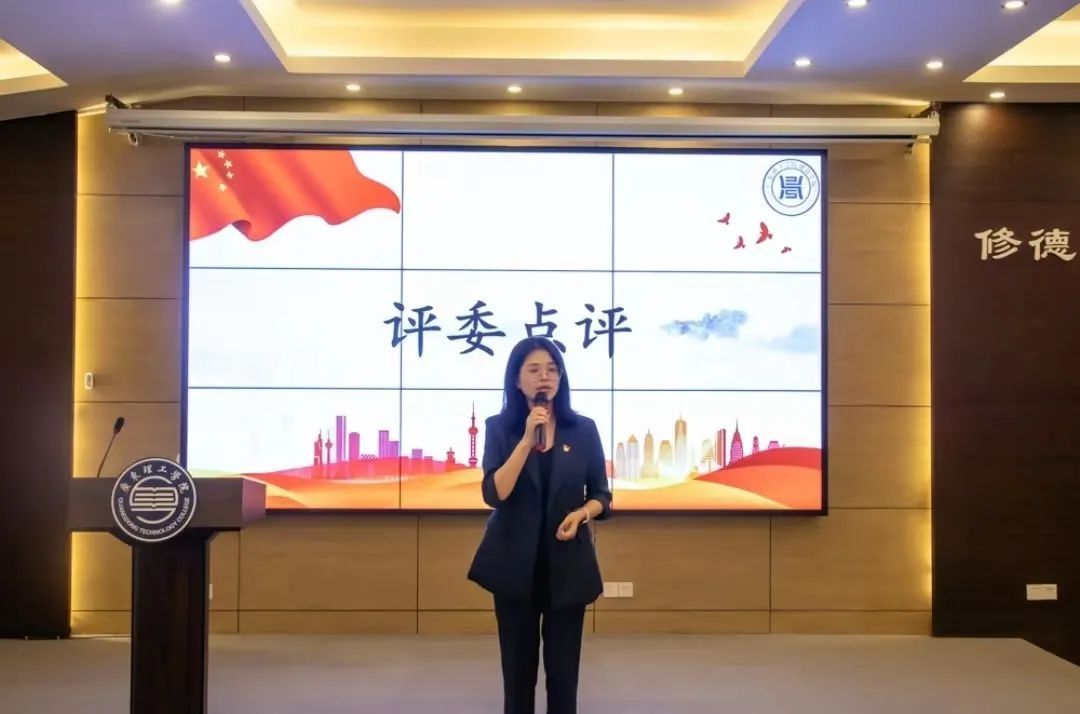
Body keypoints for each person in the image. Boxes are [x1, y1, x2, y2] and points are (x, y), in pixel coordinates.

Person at [468, 336, 612, 714]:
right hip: (514, 567)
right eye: (533, 370)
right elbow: (494, 493)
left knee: (563, 679)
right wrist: (525, 442)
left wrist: (581, 514)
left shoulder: (583, 430)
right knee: (518, 679)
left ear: (561, 378)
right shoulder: (500, 428)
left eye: (551, 369)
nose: (544, 377)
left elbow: (601, 495)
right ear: (517, 380)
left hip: (567, 567)